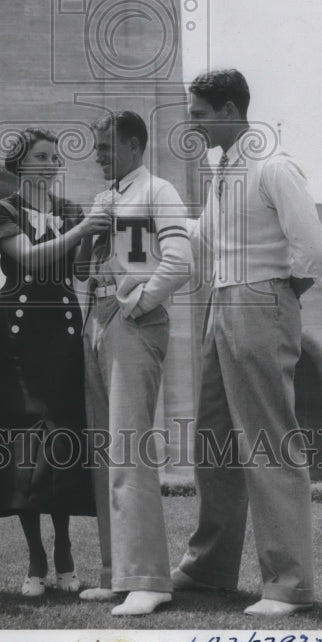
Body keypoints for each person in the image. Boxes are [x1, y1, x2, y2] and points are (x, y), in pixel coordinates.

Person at [172, 69, 322, 617]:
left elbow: (314, 248)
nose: (192, 125)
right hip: (219, 302)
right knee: (213, 440)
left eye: (199, 115)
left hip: (260, 300)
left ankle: (289, 583)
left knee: (268, 439)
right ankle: (209, 567)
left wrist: (278, 293)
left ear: (229, 110)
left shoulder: (273, 166)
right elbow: (202, 237)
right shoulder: (223, 170)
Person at [0, 128, 111, 596]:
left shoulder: (72, 210)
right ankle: (36, 556)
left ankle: (64, 548)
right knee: (22, 439)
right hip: (17, 333)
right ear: (19, 164)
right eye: (40, 156)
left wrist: (101, 233)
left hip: (62, 328)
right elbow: (30, 260)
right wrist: (83, 230)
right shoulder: (2, 210)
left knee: (61, 437)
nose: (50, 164)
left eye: (54, 157)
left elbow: (79, 271)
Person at [79, 110, 193, 616]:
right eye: (97, 147)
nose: (98, 155)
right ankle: (117, 574)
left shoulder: (158, 191)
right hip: (97, 317)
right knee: (104, 451)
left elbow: (179, 261)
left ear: (132, 145)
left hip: (133, 320)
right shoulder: (105, 198)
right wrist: (90, 228)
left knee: (129, 447)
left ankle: (149, 579)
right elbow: (83, 267)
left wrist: (139, 303)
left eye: (105, 147)